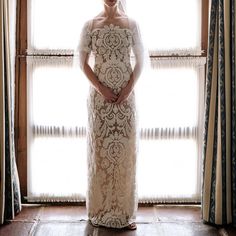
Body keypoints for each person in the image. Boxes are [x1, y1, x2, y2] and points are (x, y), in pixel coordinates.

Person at [77, 0, 144, 230]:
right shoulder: (90, 25)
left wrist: (128, 88)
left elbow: (141, 60)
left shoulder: (132, 24)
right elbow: (83, 63)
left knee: (124, 153)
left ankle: (124, 213)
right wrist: (101, 88)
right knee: (101, 155)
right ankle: (100, 210)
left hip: (126, 101)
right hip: (100, 102)